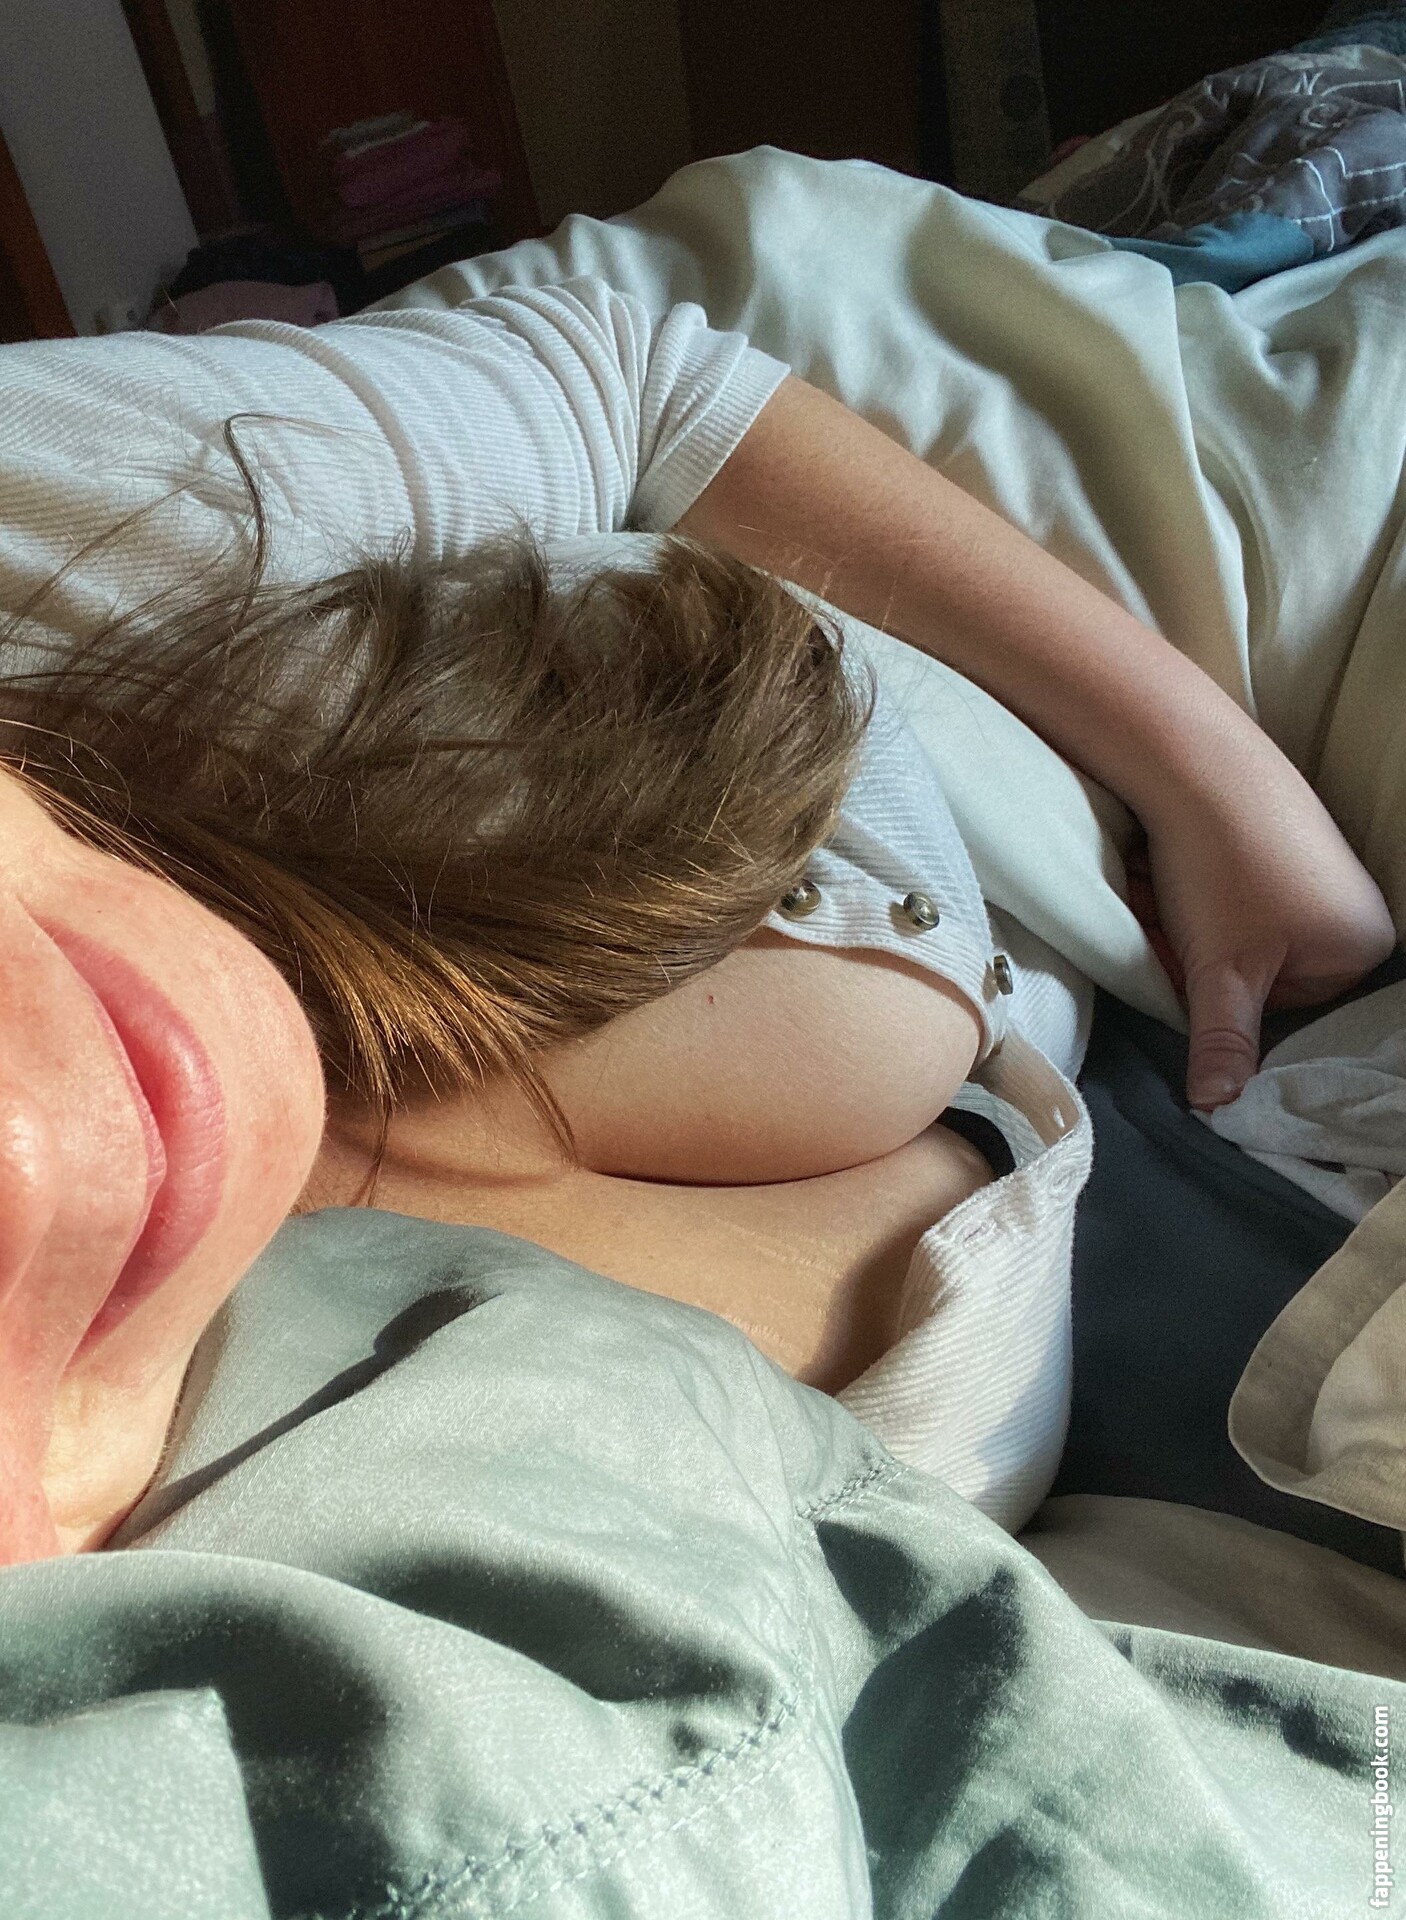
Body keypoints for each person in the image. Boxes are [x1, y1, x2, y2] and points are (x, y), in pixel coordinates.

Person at [0, 273, 1392, 1574]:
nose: (23, 1162)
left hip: (1045, 605)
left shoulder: (99, 540)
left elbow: (652, 390)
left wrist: (1214, 777)